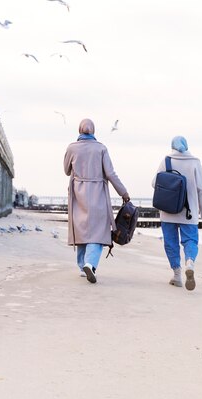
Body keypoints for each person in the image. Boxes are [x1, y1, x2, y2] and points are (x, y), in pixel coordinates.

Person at [64, 118, 130, 283]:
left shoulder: (72, 148)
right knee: (98, 232)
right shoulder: (101, 148)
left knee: (81, 230)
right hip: (98, 194)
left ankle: (82, 266)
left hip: (78, 193)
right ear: (93, 131)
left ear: (79, 130)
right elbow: (111, 173)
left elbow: (66, 170)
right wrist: (123, 192)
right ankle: (90, 263)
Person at [152, 136, 202, 291]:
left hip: (168, 211)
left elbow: (154, 182)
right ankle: (190, 262)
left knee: (170, 243)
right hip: (189, 212)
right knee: (190, 241)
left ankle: (177, 275)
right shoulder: (194, 162)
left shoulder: (166, 160)